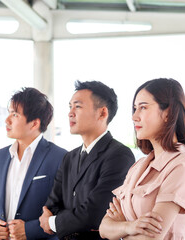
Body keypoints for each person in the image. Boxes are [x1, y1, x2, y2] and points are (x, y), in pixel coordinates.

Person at [99, 78, 185, 240]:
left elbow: (150, 238)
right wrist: (130, 226)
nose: (134, 116)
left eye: (143, 107)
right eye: (134, 109)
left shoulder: (182, 166)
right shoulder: (138, 167)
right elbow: (104, 228)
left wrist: (120, 230)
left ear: (168, 113)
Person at [39, 80, 135, 240]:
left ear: (102, 113)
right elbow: (51, 205)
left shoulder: (120, 155)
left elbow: (94, 213)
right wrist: (67, 220)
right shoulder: (70, 157)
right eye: (70, 107)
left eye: (78, 106)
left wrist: (53, 223)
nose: (70, 113)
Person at [0, 87, 67, 240]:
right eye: (9, 112)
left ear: (34, 124)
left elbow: (68, 211)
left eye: (15, 115)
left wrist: (30, 230)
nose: (7, 120)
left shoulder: (61, 158)